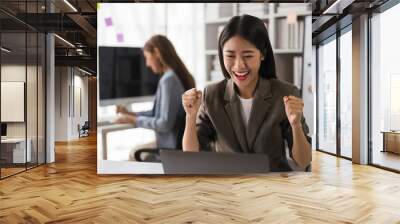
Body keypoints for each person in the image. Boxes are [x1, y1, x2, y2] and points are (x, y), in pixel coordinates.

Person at [181, 15, 311, 171]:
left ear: (262, 54)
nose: (239, 65)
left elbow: (303, 161)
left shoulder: (285, 93)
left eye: (248, 56)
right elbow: (191, 155)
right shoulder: (212, 95)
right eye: (230, 56)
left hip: (271, 188)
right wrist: (190, 116)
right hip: (228, 188)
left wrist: (295, 125)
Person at [116, 35, 195, 160]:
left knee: (132, 154)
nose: (147, 64)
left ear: (157, 53)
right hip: (174, 146)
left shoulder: (168, 80)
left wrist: (134, 120)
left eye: (147, 57)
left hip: (170, 150)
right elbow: (157, 113)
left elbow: (164, 124)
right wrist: (132, 114)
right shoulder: (175, 76)